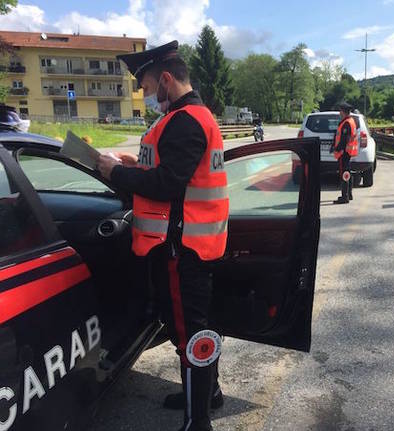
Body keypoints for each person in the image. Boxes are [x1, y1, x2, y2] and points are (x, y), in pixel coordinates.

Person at [97, 40, 227, 431]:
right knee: (193, 328)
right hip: (190, 245)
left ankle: (197, 420)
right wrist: (135, 164)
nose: (146, 95)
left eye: (148, 87)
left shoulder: (185, 121)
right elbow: (176, 172)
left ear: (167, 79)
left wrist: (114, 173)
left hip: (180, 249)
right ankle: (209, 393)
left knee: (190, 334)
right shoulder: (193, 117)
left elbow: (169, 184)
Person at [330, 101, 359, 204]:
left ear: (343, 111)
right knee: (347, 172)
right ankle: (349, 194)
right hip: (348, 152)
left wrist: (337, 149)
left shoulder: (347, 123)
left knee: (344, 173)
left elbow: (344, 139)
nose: (339, 113)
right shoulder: (350, 121)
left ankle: (344, 196)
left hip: (344, 152)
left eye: (340, 111)